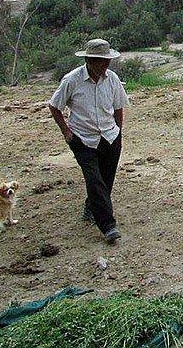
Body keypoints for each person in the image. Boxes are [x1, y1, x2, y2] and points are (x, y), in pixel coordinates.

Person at [48, 39, 128, 244]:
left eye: (107, 60)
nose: (106, 65)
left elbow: (119, 107)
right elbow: (55, 106)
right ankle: (108, 225)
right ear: (89, 60)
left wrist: (118, 132)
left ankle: (92, 207)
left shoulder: (112, 79)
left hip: (109, 136)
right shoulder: (71, 80)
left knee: (106, 178)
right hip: (83, 139)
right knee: (94, 178)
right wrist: (66, 132)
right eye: (101, 61)